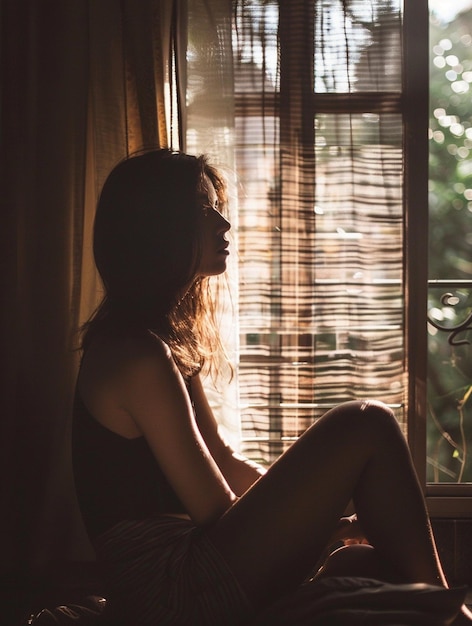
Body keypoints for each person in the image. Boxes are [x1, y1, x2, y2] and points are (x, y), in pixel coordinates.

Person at [72, 148, 472, 626]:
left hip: (195, 567)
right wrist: (323, 524)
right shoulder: (135, 354)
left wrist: (324, 522)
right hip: (170, 590)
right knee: (366, 423)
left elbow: (222, 459)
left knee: (368, 566)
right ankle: (457, 619)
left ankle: (446, 612)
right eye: (203, 210)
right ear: (158, 227)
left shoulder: (164, 340)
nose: (224, 223)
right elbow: (213, 508)